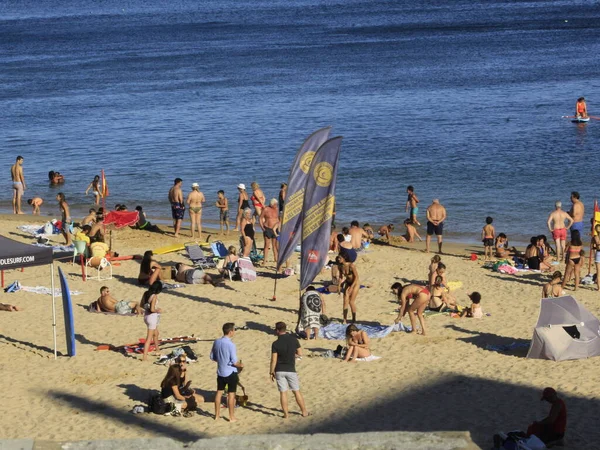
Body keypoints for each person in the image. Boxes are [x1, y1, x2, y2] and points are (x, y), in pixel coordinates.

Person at [270, 321, 310, 418]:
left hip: (279, 369)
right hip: (291, 369)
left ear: (277, 331)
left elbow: (273, 359)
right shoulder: (294, 340)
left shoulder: (275, 343)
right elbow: (300, 353)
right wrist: (292, 355)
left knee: (283, 393)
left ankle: (286, 414)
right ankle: (304, 412)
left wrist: (271, 371)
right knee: (296, 391)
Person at [210, 322, 244, 422]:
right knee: (231, 394)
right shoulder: (231, 344)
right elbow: (234, 361)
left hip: (220, 371)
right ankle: (231, 417)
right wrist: (241, 365)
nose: (234, 332)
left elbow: (212, 357)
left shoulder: (216, 341)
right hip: (230, 372)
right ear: (230, 332)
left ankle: (216, 415)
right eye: (233, 330)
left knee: (219, 392)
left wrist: (222, 361)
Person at [141, 281, 163, 361]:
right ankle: (144, 357)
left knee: (156, 333)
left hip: (146, 316)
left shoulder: (146, 293)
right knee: (149, 338)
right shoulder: (154, 296)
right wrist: (158, 310)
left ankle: (157, 349)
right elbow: (152, 309)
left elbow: (141, 305)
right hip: (152, 317)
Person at [336, 254, 360, 324]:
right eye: (338, 258)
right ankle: (344, 319)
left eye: (340, 258)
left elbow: (356, 277)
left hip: (355, 283)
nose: (338, 259)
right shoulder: (340, 266)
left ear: (344, 258)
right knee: (345, 301)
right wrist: (339, 286)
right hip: (348, 282)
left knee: (351, 301)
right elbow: (341, 277)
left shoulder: (351, 266)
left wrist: (352, 287)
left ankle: (354, 319)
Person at [260, 199, 280, 264]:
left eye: (276, 204)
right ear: (272, 204)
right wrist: (262, 228)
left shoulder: (277, 209)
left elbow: (279, 218)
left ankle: (276, 258)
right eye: (275, 204)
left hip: (275, 229)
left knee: (275, 245)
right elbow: (260, 218)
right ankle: (264, 260)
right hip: (267, 228)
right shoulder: (266, 209)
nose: (276, 205)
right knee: (267, 245)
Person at [592, 224, 600, 292]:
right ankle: (599, 287)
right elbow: (596, 244)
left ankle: (599, 288)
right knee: (598, 272)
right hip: (598, 253)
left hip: (598, 253)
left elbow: (594, 246)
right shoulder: (595, 237)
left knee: (598, 272)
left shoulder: (595, 237)